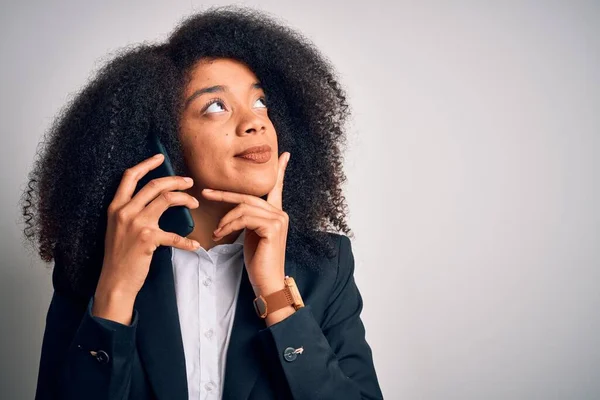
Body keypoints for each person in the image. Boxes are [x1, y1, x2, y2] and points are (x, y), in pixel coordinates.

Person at [21, 5, 384, 400]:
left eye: (260, 103)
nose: (255, 122)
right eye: (215, 106)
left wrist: (275, 294)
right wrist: (116, 288)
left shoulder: (326, 265)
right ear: (162, 140)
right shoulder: (94, 262)